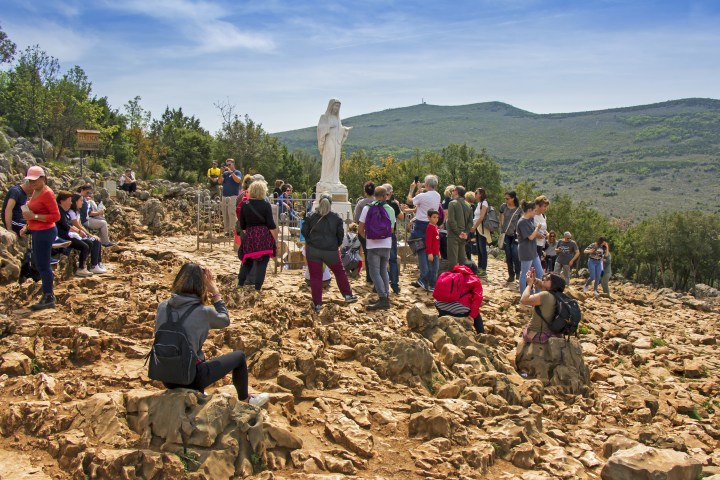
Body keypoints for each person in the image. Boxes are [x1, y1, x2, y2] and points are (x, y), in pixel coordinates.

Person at [155, 263, 269, 407]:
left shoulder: (163, 306)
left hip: (165, 375)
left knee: (196, 353)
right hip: (191, 378)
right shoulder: (203, 311)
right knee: (239, 357)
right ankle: (246, 400)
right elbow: (225, 320)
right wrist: (214, 291)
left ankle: (198, 393)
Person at [301, 194, 358, 313]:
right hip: (331, 251)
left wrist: (311, 242)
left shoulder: (310, 216)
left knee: (316, 277)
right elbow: (340, 236)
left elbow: (304, 232)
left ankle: (317, 304)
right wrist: (334, 245)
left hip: (313, 250)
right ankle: (347, 295)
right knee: (339, 272)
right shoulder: (336, 218)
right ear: (330, 204)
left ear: (319, 203)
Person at [22, 166, 61, 310]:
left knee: (43, 265)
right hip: (38, 231)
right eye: (30, 181)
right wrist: (27, 226)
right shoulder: (36, 192)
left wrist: (35, 217)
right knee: (40, 263)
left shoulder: (47, 193)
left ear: (42, 179)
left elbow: (55, 216)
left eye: (34, 180)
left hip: (45, 232)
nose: (32, 183)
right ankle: (47, 294)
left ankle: (48, 296)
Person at [236, 180, 276, 296]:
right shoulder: (266, 204)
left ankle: (240, 285)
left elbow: (242, 225)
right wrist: (275, 239)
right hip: (263, 236)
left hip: (250, 235)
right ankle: (258, 289)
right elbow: (271, 224)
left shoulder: (245, 205)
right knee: (263, 263)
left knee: (247, 261)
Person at [359, 186, 395, 310]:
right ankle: (385, 295)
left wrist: (368, 239)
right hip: (386, 244)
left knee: (374, 272)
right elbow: (392, 229)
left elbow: (360, 229)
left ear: (374, 195)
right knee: (383, 270)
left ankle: (383, 299)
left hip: (373, 245)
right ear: (386, 196)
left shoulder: (367, 208)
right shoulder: (390, 209)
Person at [404, 175, 441, 290]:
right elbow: (424, 199)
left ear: (427, 184)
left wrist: (412, 189)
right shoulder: (438, 195)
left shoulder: (422, 196)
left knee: (421, 251)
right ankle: (429, 282)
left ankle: (423, 279)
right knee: (429, 252)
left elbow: (409, 201)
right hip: (431, 225)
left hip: (420, 225)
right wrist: (420, 189)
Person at [56, 191, 105, 276]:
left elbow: (70, 225)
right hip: (64, 236)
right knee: (85, 246)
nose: (70, 203)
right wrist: (79, 232)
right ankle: (82, 267)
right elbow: (66, 226)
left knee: (90, 242)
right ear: (62, 201)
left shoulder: (65, 211)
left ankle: (87, 264)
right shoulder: (60, 211)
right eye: (68, 200)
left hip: (69, 234)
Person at [433, 264, 484, 334]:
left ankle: (441, 320)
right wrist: (472, 316)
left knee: (447, 309)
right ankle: (481, 334)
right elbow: (478, 299)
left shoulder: (450, 274)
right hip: (459, 309)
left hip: (440, 306)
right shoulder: (474, 279)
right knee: (476, 313)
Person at [519, 269, 566, 343]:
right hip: (551, 332)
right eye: (544, 277)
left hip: (537, 334)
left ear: (554, 283)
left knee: (525, 333)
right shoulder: (558, 295)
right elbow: (541, 285)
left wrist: (529, 284)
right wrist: (534, 280)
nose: (544, 279)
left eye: (547, 279)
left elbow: (524, 300)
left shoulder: (546, 295)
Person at [69, 193, 107, 272]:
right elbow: (78, 226)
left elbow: (80, 226)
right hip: (75, 235)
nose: (82, 203)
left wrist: (90, 235)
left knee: (97, 240)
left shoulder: (77, 212)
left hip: (78, 234)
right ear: (75, 202)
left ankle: (98, 262)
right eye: (81, 201)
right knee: (94, 240)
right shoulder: (71, 213)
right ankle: (94, 265)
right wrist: (90, 235)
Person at [317, 99, 352, 185]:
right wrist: (328, 126)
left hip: (336, 141)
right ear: (331, 106)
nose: (337, 108)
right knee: (331, 156)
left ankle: (334, 180)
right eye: (336, 105)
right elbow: (319, 128)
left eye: (338, 106)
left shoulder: (337, 119)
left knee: (336, 159)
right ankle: (326, 178)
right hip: (328, 140)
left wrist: (344, 129)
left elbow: (339, 129)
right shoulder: (324, 117)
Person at [517, 200, 544, 294]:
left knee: (540, 273)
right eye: (534, 211)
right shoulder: (522, 222)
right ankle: (523, 294)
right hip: (526, 250)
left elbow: (533, 234)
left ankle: (537, 294)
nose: (535, 213)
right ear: (529, 210)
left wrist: (539, 234)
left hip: (533, 251)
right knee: (524, 274)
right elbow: (531, 236)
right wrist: (537, 228)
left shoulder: (530, 220)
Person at [381, 183, 404, 294]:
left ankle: (380, 284)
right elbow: (401, 217)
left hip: (379, 235)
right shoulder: (393, 204)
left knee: (381, 260)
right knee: (393, 259)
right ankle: (394, 284)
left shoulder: (377, 204)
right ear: (391, 193)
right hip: (391, 234)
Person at [446, 186, 473, 268]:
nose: (452, 192)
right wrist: (466, 233)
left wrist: (458, 232)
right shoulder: (468, 205)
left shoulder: (452, 203)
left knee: (452, 260)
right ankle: (463, 278)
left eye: (453, 190)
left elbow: (451, 220)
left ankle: (453, 279)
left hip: (454, 235)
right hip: (463, 235)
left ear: (456, 192)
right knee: (463, 259)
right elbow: (470, 222)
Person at [353, 181, 375, 283]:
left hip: (365, 232)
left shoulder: (361, 203)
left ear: (365, 191)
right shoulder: (379, 202)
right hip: (378, 232)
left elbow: (356, 218)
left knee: (367, 253)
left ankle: (370, 276)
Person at [499, 191, 522, 283]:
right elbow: (501, 215)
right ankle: (511, 274)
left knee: (515, 254)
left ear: (513, 198)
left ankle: (518, 272)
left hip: (515, 234)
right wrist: (502, 226)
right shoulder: (503, 206)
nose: (506, 200)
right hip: (506, 234)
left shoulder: (519, 209)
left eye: (507, 198)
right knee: (508, 255)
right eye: (505, 198)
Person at [219, 158, 242, 237]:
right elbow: (220, 181)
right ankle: (227, 231)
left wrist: (231, 172)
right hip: (224, 196)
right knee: (225, 213)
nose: (228, 166)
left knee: (231, 213)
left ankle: (233, 230)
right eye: (227, 165)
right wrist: (220, 173)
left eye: (229, 164)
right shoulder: (225, 173)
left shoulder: (237, 172)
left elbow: (238, 180)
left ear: (233, 164)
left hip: (233, 196)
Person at [470, 188, 489, 277]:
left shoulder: (484, 203)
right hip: (478, 228)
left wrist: (474, 226)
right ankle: (480, 267)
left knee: (482, 249)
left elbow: (481, 217)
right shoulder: (479, 203)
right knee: (479, 249)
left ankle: (483, 269)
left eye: (476, 193)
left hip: (481, 228)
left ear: (480, 194)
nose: (475, 194)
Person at [425, 209, 441, 292]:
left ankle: (432, 284)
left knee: (436, 269)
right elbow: (428, 241)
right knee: (432, 270)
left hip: (436, 253)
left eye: (437, 217)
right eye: (434, 217)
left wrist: (439, 252)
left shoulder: (435, 227)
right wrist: (429, 253)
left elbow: (437, 241)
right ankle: (431, 285)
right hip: (432, 253)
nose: (436, 219)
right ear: (429, 217)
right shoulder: (430, 228)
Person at [533, 195, 549, 260]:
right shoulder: (531, 215)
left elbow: (544, 229)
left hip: (540, 244)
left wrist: (547, 234)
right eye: (544, 206)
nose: (545, 208)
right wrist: (537, 235)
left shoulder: (543, 216)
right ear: (538, 206)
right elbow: (527, 229)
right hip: (532, 244)